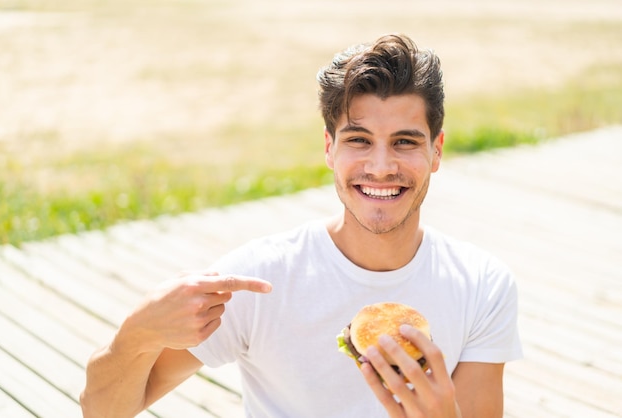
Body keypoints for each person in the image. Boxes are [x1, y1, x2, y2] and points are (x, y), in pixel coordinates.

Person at [80, 33, 522, 418]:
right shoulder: (259, 281)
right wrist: (136, 335)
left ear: (437, 151)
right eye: (358, 140)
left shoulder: (481, 286)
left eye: (405, 142)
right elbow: (102, 411)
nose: (382, 166)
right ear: (329, 149)